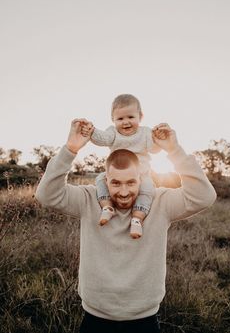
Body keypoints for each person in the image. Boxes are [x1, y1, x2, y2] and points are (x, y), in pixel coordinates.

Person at [35, 119, 216, 333]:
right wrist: (70, 149)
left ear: (141, 178)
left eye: (131, 182)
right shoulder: (89, 199)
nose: (123, 192)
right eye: (115, 183)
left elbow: (204, 196)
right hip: (95, 319)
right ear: (105, 179)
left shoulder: (160, 202)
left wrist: (175, 151)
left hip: (144, 320)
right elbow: (46, 195)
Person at [81, 94, 164, 239]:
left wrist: (159, 139)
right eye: (120, 119)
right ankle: (107, 206)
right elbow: (103, 139)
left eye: (130, 117)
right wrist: (92, 132)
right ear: (113, 120)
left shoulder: (145, 133)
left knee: (148, 189)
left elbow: (154, 149)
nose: (126, 122)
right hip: (117, 174)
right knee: (100, 178)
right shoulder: (112, 133)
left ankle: (137, 218)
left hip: (141, 175)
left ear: (140, 116)